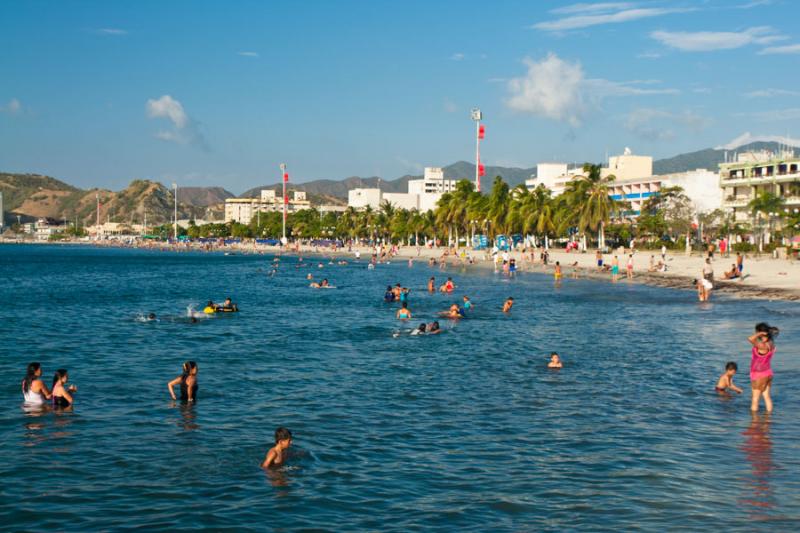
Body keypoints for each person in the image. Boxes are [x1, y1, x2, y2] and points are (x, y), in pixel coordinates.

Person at [748, 322, 779, 412]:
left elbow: (750, 339)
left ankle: (754, 422)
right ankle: (768, 419)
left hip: (759, 375)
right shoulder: (771, 343)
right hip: (768, 373)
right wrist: (762, 333)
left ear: (760, 332)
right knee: (767, 397)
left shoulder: (762, 345)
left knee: (755, 399)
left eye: (756, 331)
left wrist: (760, 333)